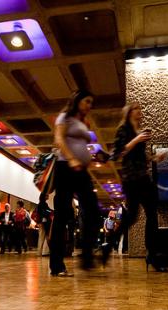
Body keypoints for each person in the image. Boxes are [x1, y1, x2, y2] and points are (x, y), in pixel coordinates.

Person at [111, 102, 167, 272]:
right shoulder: (124, 131)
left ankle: (152, 254)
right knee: (133, 215)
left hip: (144, 178)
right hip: (131, 179)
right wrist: (136, 140)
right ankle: (112, 241)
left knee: (152, 216)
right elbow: (117, 153)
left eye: (140, 109)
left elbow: (139, 157)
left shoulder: (141, 132)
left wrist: (153, 158)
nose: (139, 112)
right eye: (136, 109)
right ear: (128, 113)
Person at [50, 89, 101, 276]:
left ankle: (87, 256)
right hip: (65, 168)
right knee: (62, 216)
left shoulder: (82, 122)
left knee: (94, 212)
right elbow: (58, 140)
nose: (89, 106)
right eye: (87, 101)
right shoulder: (65, 117)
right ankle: (56, 265)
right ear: (78, 101)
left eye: (91, 103)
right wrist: (72, 158)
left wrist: (94, 155)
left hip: (81, 171)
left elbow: (81, 145)